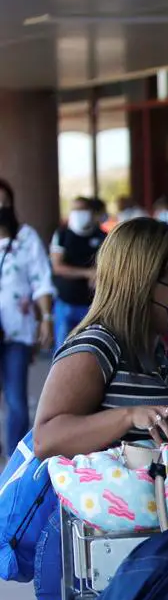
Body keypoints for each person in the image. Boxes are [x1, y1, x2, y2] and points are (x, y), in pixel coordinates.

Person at [31, 218, 168, 600]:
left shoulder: (152, 347)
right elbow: (47, 435)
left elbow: (153, 430)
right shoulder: (96, 345)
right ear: (149, 281)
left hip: (136, 551)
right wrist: (128, 417)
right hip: (83, 550)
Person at [0, 178, 55, 458]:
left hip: (17, 332)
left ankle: (14, 459)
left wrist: (46, 317)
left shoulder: (25, 237)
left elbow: (41, 279)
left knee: (17, 401)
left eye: (4, 202)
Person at [50, 196, 107, 350]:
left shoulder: (102, 236)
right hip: (66, 302)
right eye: (75, 210)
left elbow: (108, 265)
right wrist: (87, 273)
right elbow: (57, 267)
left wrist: (99, 275)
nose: (78, 213)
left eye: (82, 209)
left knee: (91, 349)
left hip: (93, 306)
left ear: (91, 212)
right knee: (62, 349)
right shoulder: (62, 234)